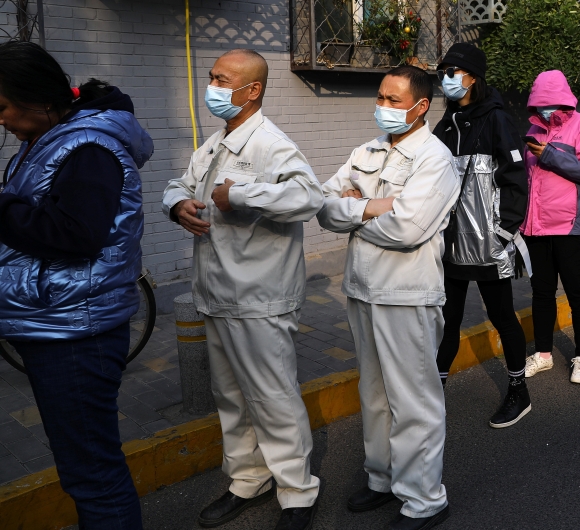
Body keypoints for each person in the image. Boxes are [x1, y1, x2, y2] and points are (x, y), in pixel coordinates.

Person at [163, 49, 323, 530]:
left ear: (251, 90)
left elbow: (308, 197)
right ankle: (248, 479)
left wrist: (243, 194)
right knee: (230, 396)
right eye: (211, 76)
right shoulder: (214, 144)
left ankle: (297, 493)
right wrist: (177, 206)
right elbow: (180, 183)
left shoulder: (271, 144)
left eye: (221, 79)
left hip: (259, 297)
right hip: (215, 293)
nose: (212, 85)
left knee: (272, 398)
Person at [0, 42, 152, 528]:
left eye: (1, 106)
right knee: (85, 468)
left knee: (93, 476)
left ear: (36, 98)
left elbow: (74, 235)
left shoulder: (88, 147)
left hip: (76, 334)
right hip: (57, 322)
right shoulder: (51, 138)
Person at [317, 65, 458, 529]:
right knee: (373, 393)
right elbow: (323, 204)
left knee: (413, 400)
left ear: (420, 107)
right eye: (381, 96)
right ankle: (383, 479)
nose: (383, 106)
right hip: (362, 288)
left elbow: (407, 229)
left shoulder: (434, 159)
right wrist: (371, 206)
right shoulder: (367, 150)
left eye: (394, 100)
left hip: (406, 295)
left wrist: (354, 207)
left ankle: (423, 499)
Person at [431, 43, 531, 429]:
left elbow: (516, 177)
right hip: (452, 243)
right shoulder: (446, 123)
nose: (446, 80)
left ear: (473, 77)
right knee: (447, 320)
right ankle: (433, 395)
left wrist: (505, 231)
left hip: (489, 242)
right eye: (443, 73)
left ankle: (518, 390)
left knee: (502, 316)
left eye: (452, 72)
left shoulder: (497, 120)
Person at [520, 70, 580, 382]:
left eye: (548, 104)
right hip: (537, 228)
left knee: (577, 293)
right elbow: (530, 180)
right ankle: (543, 354)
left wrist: (551, 155)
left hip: (571, 227)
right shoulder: (533, 129)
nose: (544, 110)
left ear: (562, 101)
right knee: (541, 293)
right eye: (538, 104)